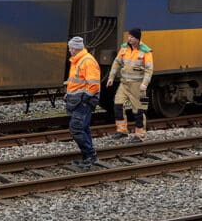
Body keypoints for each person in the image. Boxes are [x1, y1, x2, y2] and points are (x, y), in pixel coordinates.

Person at [105, 28, 154, 143]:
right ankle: (122, 131)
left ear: (137, 38)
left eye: (132, 37)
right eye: (129, 36)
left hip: (137, 86)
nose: (129, 38)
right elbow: (116, 62)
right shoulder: (124, 48)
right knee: (117, 105)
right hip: (124, 83)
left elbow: (149, 70)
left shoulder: (146, 51)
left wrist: (144, 84)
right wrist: (111, 77)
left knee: (139, 111)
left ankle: (140, 135)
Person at [65, 36, 101, 169]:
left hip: (84, 101)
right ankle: (89, 157)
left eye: (70, 48)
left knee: (76, 128)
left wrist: (85, 98)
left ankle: (91, 156)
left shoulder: (87, 61)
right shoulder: (78, 60)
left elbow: (94, 85)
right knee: (83, 128)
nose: (69, 50)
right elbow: (76, 81)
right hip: (79, 99)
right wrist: (69, 93)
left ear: (75, 48)